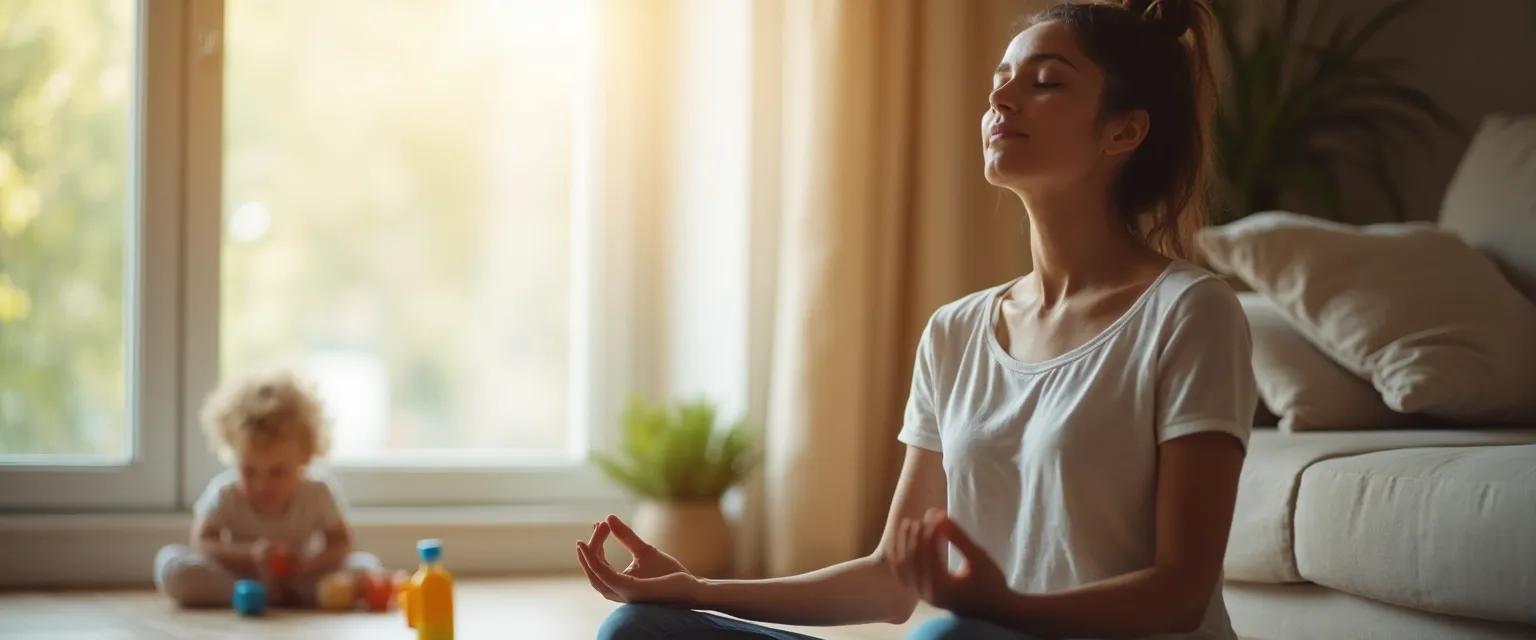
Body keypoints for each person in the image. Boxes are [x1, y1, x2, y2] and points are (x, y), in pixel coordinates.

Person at [576, 1, 1255, 637]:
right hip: (966, 634)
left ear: (1124, 130)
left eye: (1045, 82)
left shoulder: (1190, 313)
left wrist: (1009, 610)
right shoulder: (956, 332)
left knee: (954, 634)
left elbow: (1181, 590)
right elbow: (889, 584)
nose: (1000, 98)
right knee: (641, 629)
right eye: (1000, 78)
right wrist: (697, 587)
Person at [154, 368, 382, 607]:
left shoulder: (317, 492)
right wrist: (251, 554)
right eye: (248, 471)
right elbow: (202, 543)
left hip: (300, 577)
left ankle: (283, 594)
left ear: (304, 460)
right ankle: (259, 593)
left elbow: (342, 543)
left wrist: (306, 564)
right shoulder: (225, 492)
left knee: (365, 566)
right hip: (239, 576)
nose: (262, 485)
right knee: (172, 565)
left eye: (278, 472)